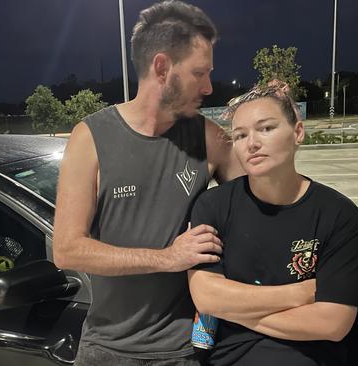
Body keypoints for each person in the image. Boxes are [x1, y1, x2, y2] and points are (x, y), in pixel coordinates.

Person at [52, 1, 247, 365]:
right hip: (107, 347)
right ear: (162, 67)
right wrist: (169, 257)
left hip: (186, 349)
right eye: (199, 73)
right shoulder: (90, 138)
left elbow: (260, 206)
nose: (208, 86)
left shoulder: (208, 138)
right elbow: (67, 249)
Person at [188, 80, 358, 366]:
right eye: (240, 135)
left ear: (298, 132)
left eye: (266, 128)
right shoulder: (213, 206)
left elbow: (333, 323)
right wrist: (301, 293)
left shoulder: (338, 214)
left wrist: (233, 307)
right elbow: (207, 298)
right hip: (229, 358)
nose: (252, 143)